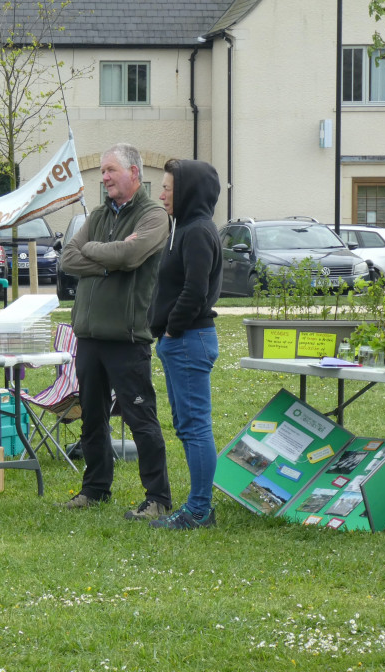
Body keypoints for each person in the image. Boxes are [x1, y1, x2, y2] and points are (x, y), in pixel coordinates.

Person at [57, 143, 172, 520]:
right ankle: (95, 489)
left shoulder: (154, 215)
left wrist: (98, 252)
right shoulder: (100, 214)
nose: (103, 177)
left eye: (109, 170)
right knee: (91, 417)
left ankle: (157, 498)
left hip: (127, 338)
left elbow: (130, 256)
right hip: (89, 336)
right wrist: (107, 261)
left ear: (134, 173)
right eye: (102, 171)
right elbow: (68, 259)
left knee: (140, 419)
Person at [147, 159, 222, 530]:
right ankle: (197, 507)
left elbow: (196, 290)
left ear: (188, 192)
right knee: (187, 424)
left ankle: (199, 511)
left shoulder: (196, 232)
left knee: (195, 427)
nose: (161, 195)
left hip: (190, 339)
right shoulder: (183, 228)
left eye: (167, 189)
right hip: (181, 341)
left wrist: (173, 330)